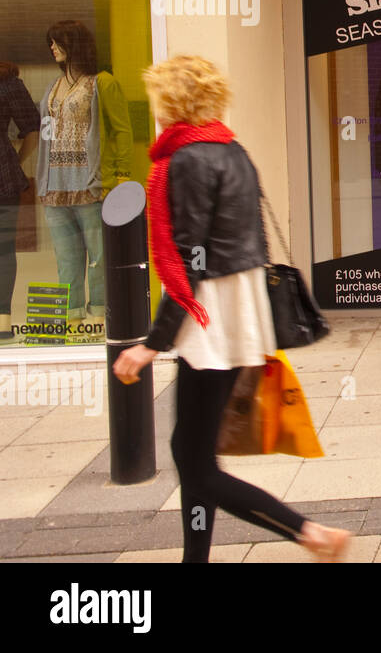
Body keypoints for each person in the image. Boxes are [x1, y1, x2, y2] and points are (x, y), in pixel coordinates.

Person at [112, 55, 351, 563]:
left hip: (209, 323)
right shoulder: (230, 148)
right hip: (237, 318)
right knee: (194, 453)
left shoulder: (185, 160)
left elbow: (187, 261)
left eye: (159, 97)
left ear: (172, 101)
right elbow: (248, 242)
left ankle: (310, 533)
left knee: (194, 463)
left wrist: (152, 344)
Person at [34, 21, 133, 325]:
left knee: (99, 257)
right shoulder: (53, 86)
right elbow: (46, 133)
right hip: (56, 186)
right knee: (66, 259)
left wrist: (118, 175)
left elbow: (121, 130)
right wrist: (43, 179)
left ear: (74, 44)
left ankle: (101, 318)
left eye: (58, 42)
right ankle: (72, 319)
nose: (53, 48)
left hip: (90, 184)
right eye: (51, 42)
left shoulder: (102, 82)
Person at [0, 61, 40, 341]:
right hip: (4, 174)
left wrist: (16, 162)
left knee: (2, 250)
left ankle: (3, 319)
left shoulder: (8, 80)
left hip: (3, 177)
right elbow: (33, 129)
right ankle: (2, 321)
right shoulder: (9, 83)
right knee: (2, 251)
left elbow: (33, 129)